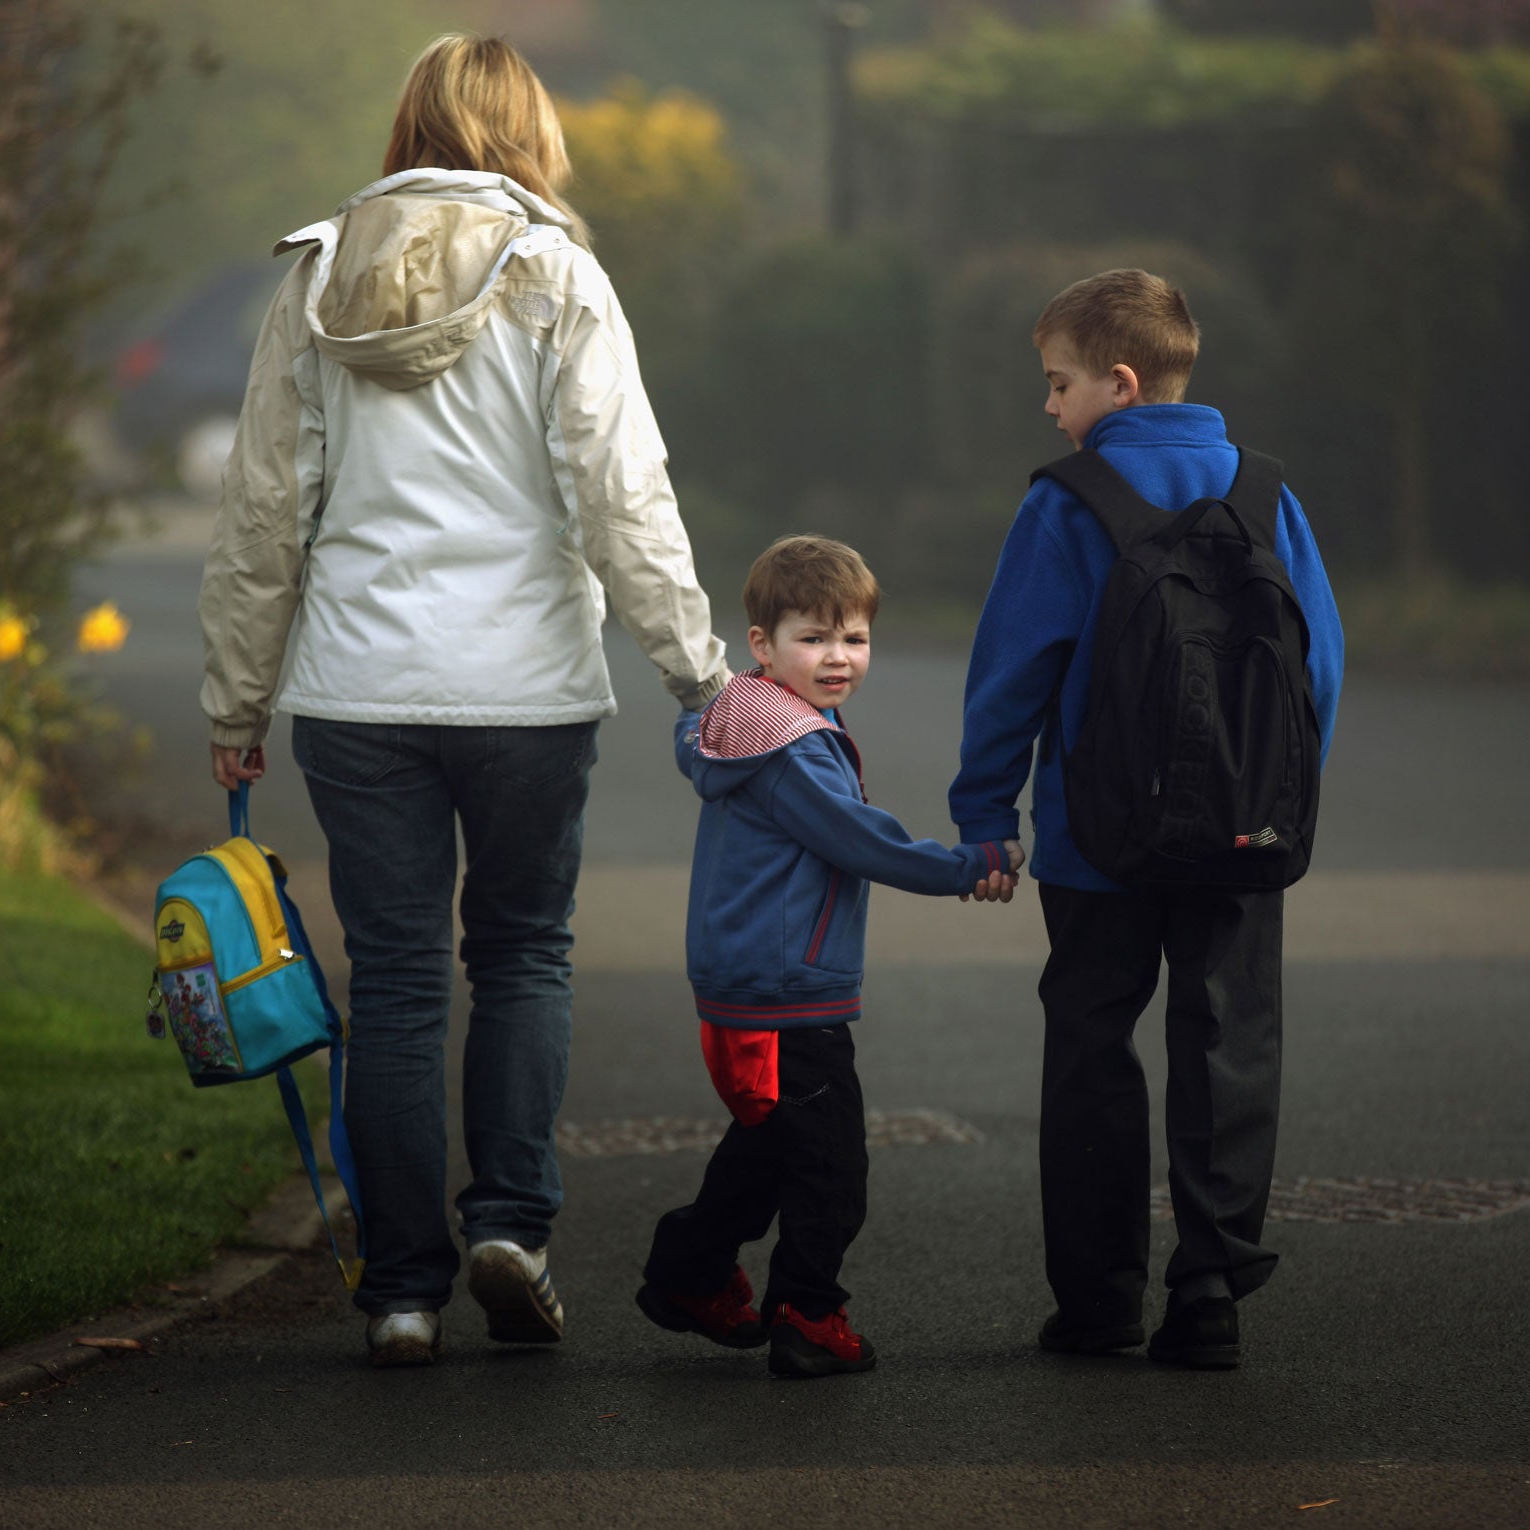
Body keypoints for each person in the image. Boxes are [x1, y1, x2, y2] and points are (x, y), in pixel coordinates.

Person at [197, 33, 731, 1368]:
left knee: (393, 982)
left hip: (358, 691)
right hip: (527, 695)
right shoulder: (558, 273)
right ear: (532, 132)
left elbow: (268, 506)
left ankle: (402, 1288)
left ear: (409, 124)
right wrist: (696, 670)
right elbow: (624, 492)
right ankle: (511, 1225)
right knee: (522, 951)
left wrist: (235, 691)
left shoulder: (320, 278)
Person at [949, 269, 1344, 1370]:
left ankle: (1096, 1303)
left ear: (1116, 386)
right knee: (1227, 1045)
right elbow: (1321, 663)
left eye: (1058, 383)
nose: (1048, 407)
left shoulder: (1065, 502)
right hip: (1239, 840)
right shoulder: (1265, 493)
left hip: (1095, 843)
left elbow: (1011, 673)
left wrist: (988, 810)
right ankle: (1210, 1291)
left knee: (1090, 1050)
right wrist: (1271, 795)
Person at [635, 536, 1022, 1379]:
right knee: (832, 1168)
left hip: (753, 981)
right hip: (786, 990)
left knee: (770, 1148)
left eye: (855, 638)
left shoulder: (751, 718)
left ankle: (689, 1274)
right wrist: (969, 866)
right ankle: (809, 1315)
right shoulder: (791, 746)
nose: (839, 657)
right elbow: (862, 841)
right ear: (762, 645)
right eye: (814, 638)